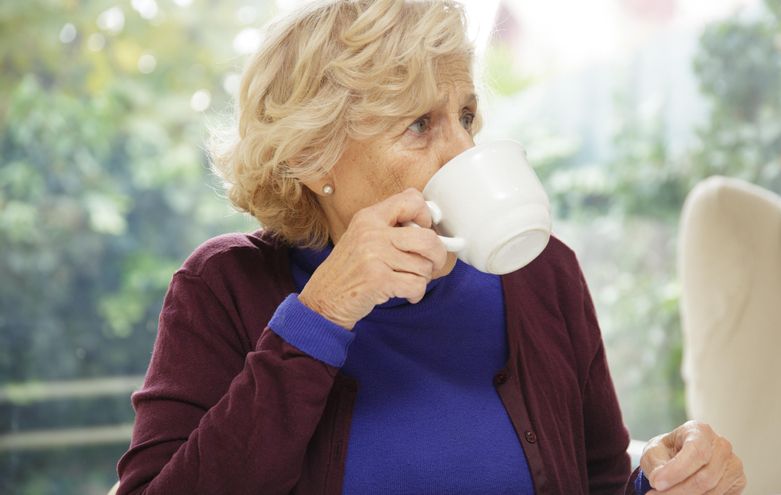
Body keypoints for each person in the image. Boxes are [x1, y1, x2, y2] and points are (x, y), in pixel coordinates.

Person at [115, 1, 746, 493]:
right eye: (420, 124)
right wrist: (321, 315)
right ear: (311, 155)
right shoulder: (222, 287)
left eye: (466, 116)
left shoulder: (545, 275)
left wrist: (665, 483)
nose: (464, 151)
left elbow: (600, 482)